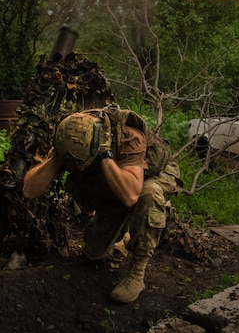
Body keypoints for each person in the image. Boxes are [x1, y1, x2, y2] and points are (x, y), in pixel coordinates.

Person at [22, 109, 181, 304]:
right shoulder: (71, 137)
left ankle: (137, 271)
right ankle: (120, 229)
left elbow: (131, 195)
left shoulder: (128, 137)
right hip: (117, 182)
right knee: (94, 254)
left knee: (148, 194)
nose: (79, 169)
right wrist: (56, 159)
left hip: (149, 176)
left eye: (84, 165)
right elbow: (29, 191)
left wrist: (106, 155)